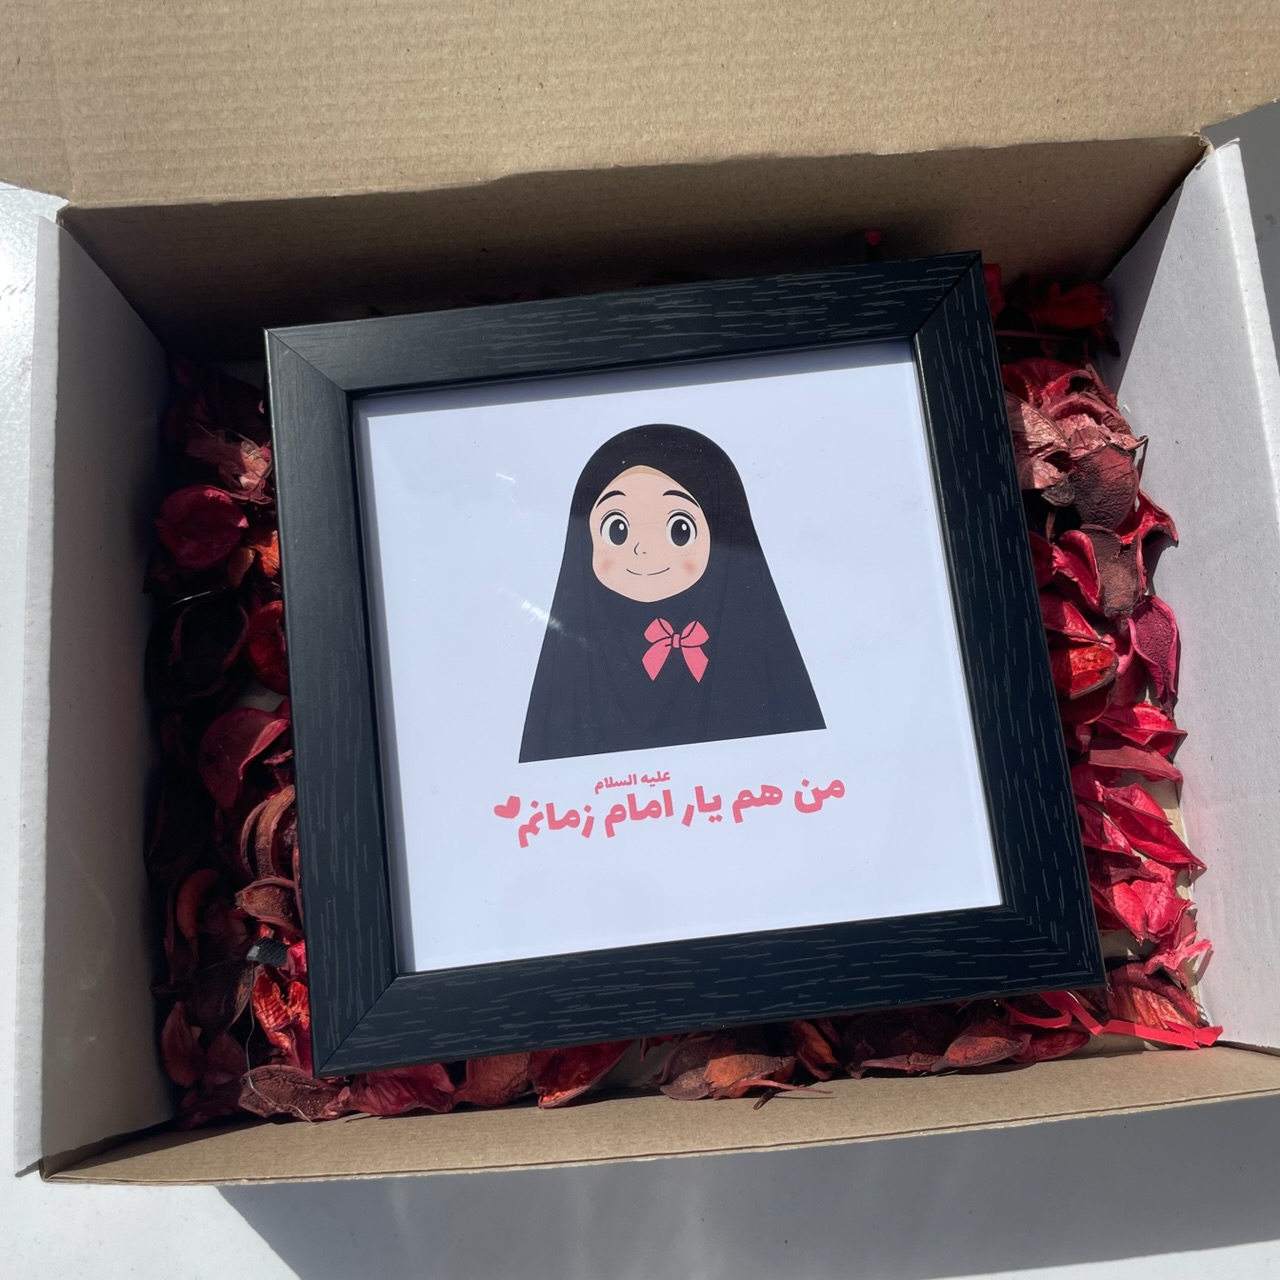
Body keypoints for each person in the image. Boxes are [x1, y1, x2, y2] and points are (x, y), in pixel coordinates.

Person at [519, 423, 824, 762]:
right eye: (616, 529)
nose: (643, 550)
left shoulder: (749, 651)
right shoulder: (575, 664)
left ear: (722, 534)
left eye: (680, 529)